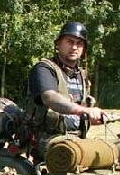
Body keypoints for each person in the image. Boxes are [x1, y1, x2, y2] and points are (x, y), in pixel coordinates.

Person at [24, 21, 106, 159]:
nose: (74, 47)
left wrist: (95, 117)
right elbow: (50, 98)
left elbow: (81, 111)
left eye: (79, 43)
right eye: (69, 41)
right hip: (49, 140)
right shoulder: (44, 69)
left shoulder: (81, 75)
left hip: (77, 140)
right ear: (58, 44)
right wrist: (83, 110)